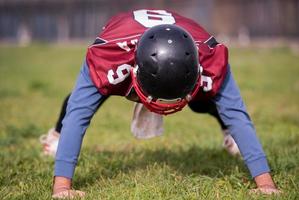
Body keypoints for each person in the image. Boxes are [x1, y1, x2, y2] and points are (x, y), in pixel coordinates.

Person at [44, 9, 280, 198]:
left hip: (182, 40)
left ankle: (226, 131)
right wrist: (63, 188)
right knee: (86, 96)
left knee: (204, 100)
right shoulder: (109, 58)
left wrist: (265, 183)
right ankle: (56, 134)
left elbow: (236, 113)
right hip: (125, 43)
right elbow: (79, 114)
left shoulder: (210, 57)